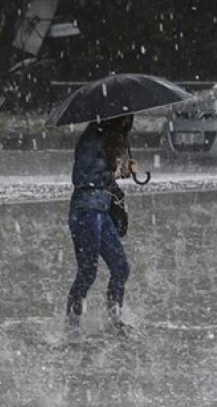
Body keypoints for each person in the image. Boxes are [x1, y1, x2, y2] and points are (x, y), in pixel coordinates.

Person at [66, 115, 139, 337]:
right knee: (88, 272)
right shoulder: (91, 140)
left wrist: (124, 168)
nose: (126, 130)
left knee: (121, 267)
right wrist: (116, 172)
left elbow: (102, 176)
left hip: (101, 211)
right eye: (124, 124)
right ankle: (72, 326)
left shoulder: (106, 142)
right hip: (85, 212)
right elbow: (80, 177)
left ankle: (116, 320)